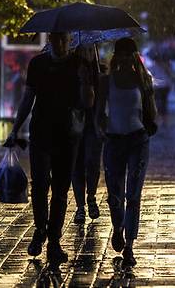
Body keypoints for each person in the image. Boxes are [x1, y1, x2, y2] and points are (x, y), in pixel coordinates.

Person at [5, 32, 94, 264]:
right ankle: (40, 230)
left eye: (65, 40)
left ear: (70, 41)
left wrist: (86, 79)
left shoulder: (79, 64)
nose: (62, 44)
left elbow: (89, 102)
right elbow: (28, 98)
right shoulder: (38, 64)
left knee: (61, 191)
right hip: (41, 133)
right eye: (57, 39)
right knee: (40, 186)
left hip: (69, 135)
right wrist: (15, 129)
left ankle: (53, 240)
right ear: (50, 40)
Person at [95, 38, 157, 268]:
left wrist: (151, 123)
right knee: (114, 194)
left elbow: (150, 111)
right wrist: (99, 129)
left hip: (137, 140)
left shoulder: (143, 80)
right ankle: (118, 227)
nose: (123, 59)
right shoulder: (106, 81)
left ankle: (129, 243)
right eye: (120, 54)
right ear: (115, 57)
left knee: (133, 194)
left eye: (127, 55)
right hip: (113, 141)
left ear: (133, 57)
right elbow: (99, 112)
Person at [71, 46, 103, 225]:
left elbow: (99, 101)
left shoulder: (98, 73)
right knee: (77, 165)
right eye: (83, 50)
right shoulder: (71, 72)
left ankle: (91, 197)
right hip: (75, 124)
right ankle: (80, 206)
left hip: (92, 123)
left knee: (92, 162)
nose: (86, 53)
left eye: (90, 50)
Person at [147, 57, 172, 126]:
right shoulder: (166, 67)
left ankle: (160, 119)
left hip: (159, 87)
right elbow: (170, 76)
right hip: (164, 87)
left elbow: (150, 77)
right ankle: (163, 120)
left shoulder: (153, 67)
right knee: (163, 103)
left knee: (159, 102)